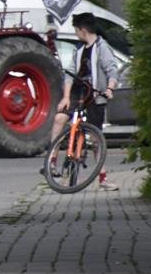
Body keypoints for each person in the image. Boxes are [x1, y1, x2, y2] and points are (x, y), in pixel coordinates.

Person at [47, 12, 121, 163]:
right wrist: (66, 97)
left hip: (95, 94)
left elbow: (112, 70)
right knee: (59, 118)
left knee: (95, 138)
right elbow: (70, 73)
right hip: (78, 91)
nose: (76, 33)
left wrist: (109, 89)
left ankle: (101, 173)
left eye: (76, 30)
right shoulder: (79, 48)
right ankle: (51, 162)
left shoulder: (102, 47)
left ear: (83, 30)